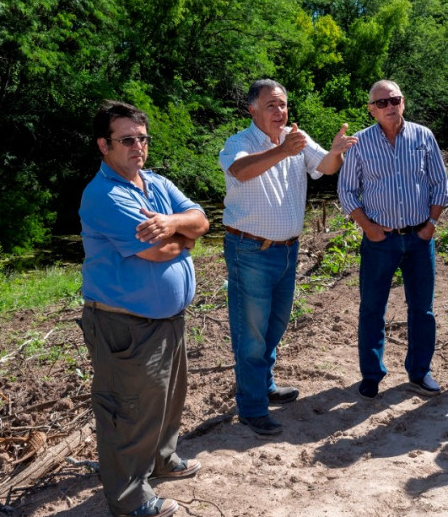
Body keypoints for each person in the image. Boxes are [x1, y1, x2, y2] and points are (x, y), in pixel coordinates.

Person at [79, 101, 210, 517]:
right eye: (127, 139)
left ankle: (162, 460)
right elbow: (154, 253)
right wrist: (182, 238)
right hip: (125, 324)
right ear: (104, 145)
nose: (138, 146)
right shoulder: (104, 194)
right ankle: (130, 499)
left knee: (167, 399)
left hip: (167, 319)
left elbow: (202, 221)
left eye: (142, 138)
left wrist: (173, 224)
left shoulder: (154, 184)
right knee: (128, 411)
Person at [220, 79, 357, 436]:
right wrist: (283, 150)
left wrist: (337, 150)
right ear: (252, 110)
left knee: (275, 324)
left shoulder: (297, 137)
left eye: (283, 105)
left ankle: (263, 385)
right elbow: (241, 171)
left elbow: (325, 167)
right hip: (250, 250)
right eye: (271, 106)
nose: (280, 112)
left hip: (286, 250)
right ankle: (251, 406)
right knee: (250, 332)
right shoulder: (239, 144)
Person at [338, 79, 448, 399]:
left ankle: (419, 371)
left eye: (395, 100)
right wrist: (367, 227)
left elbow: (440, 185)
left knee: (422, 309)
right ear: (372, 109)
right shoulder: (359, 143)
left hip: (419, 238)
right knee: (372, 309)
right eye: (382, 103)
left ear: (403, 102)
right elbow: (346, 192)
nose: (390, 107)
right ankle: (372, 374)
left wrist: (430, 224)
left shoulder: (423, 136)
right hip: (379, 240)